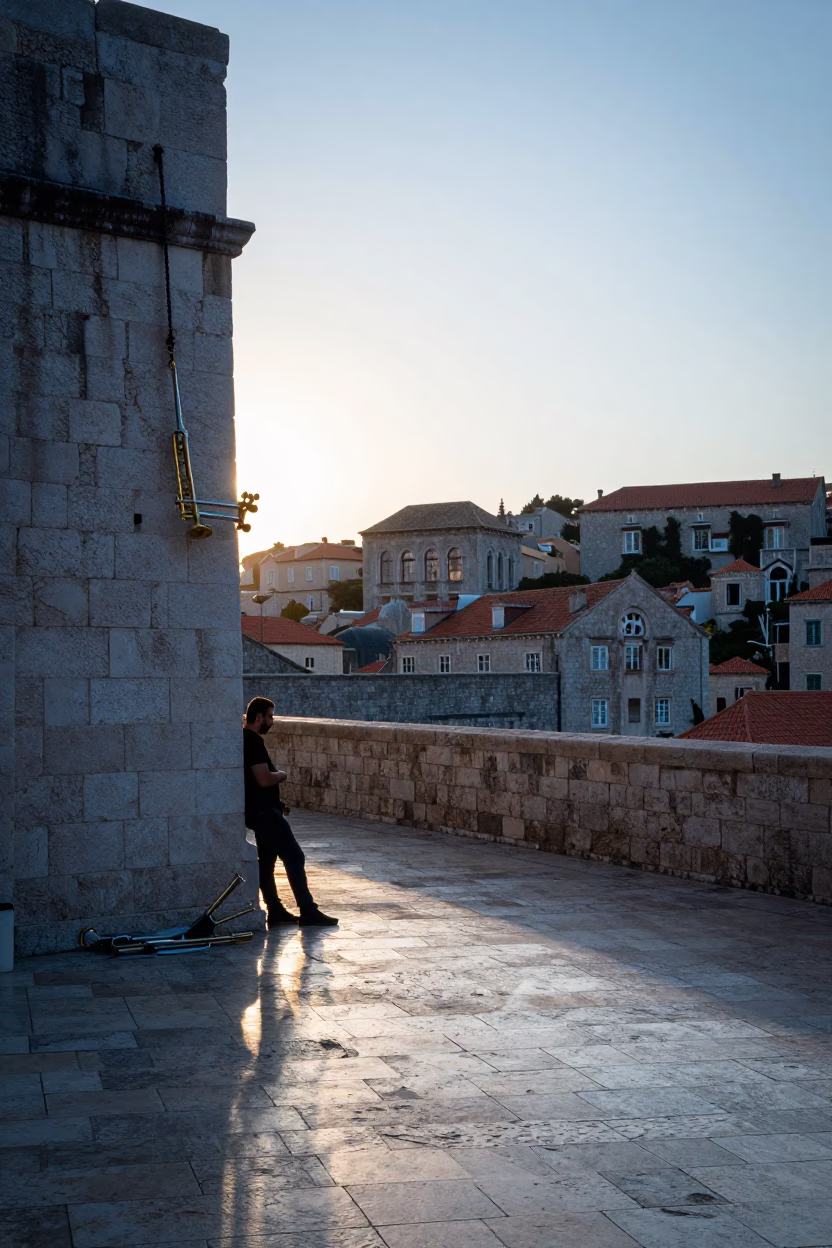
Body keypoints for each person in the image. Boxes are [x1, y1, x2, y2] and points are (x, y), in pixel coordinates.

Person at [243, 696, 337, 928]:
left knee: (267, 862)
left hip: (260, 811)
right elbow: (263, 779)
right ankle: (308, 910)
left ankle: (274, 910)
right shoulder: (252, 742)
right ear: (259, 717)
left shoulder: (244, 739)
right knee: (295, 856)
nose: (272, 721)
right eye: (270, 716)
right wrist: (281, 775)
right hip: (266, 814)